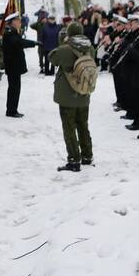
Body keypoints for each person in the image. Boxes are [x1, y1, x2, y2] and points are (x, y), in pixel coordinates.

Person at [49, 22, 96, 172]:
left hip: (67, 95)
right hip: (83, 92)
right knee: (83, 125)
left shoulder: (65, 49)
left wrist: (62, 42)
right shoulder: (90, 48)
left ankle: (74, 160)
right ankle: (87, 155)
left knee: (69, 128)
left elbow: (53, 58)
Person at [2, 12, 37, 117]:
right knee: (14, 89)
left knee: (15, 88)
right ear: (12, 22)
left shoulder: (12, 31)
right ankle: (11, 111)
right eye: (18, 20)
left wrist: (33, 43)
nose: (20, 22)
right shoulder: (9, 33)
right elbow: (19, 43)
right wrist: (33, 43)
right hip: (13, 66)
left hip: (14, 65)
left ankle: (12, 109)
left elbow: (19, 41)